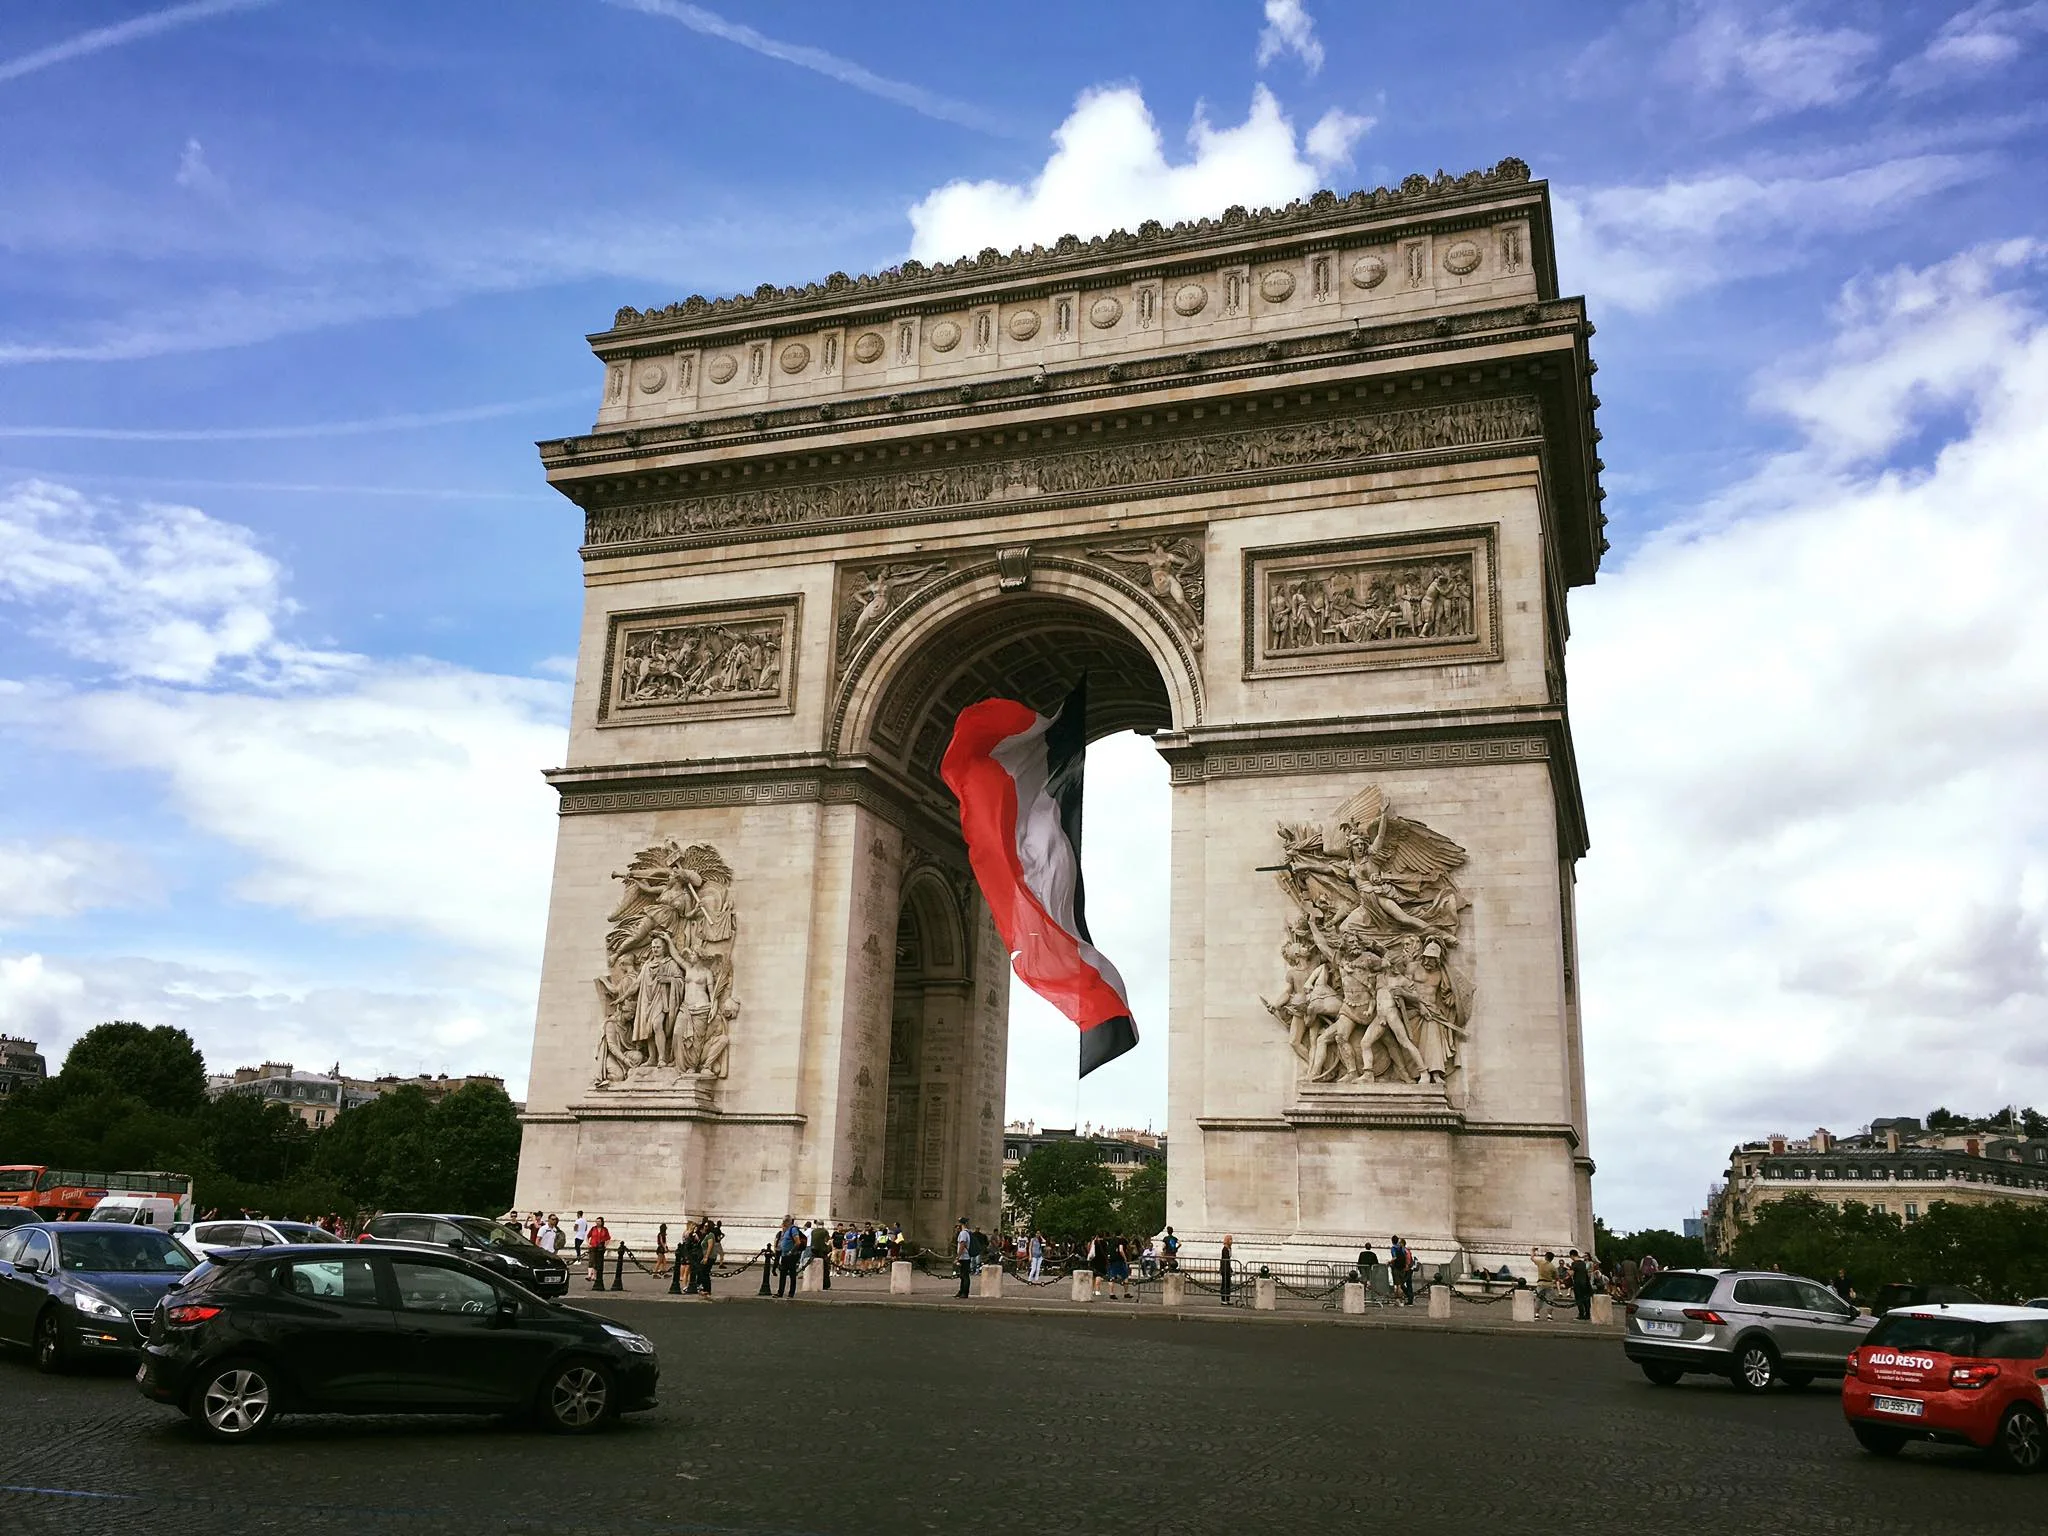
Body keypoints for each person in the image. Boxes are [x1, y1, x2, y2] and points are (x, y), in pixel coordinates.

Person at [1531, 1248, 1560, 1320]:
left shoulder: (1540, 1262)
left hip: (1540, 1283)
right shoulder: (1553, 1267)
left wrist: (1533, 1251)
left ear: (1546, 1257)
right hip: (1549, 1284)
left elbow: (1532, 1258)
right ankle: (1549, 1316)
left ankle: (1537, 1314)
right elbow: (1556, 1278)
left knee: (1538, 1299)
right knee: (1550, 1300)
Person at [1568, 1248, 1592, 1322]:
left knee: (1579, 1299)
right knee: (1586, 1299)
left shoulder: (1574, 1263)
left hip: (1578, 1283)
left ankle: (1581, 1314)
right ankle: (1587, 1314)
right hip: (1585, 1283)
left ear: (1572, 1255)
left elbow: (1571, 1273)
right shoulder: (1583, 1263)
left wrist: (1568, 1269)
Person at [587, 1217, 612, 1287]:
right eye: (596, 1221)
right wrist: (588, 1244)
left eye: (599, 1221)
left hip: (600, 1248)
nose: (597, 1222)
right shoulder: (593, 1228)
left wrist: (605, 1245)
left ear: (602, 1222)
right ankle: (589, 1275)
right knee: (591, 1260)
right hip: (593, 1246)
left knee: (597, 1261)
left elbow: (608, 1238)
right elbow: (588, 1236)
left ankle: (594, 1276)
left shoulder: (605, 1229)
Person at [809, 1218, 831, 1291]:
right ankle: (825, 1284)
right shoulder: (824, 1231)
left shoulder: (813, 1231)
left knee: (815, 1269)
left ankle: (814, 1283)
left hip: (814, 1252)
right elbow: (827, 1240)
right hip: (822, 1252)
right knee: (825, 1269)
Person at [954, 1218, 973, 1298]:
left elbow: (962, 1245)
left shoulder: (963, 1233)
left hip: (964, 1257)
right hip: (966, 1257)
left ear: (961, 1224)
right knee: (963, 1276)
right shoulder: (967, 1232)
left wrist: (958, 1257)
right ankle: (961, 1291)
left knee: (964, 1276)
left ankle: (964, 1292)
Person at [1219, 1235, 1235, 1305]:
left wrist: (1230, 1270)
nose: (1232, 1241)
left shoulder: (1229, 1248)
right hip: (1225, 1269)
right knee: (1225, 1284)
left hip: (1227, 1269)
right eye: (1230, 1239)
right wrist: (1230, 1270)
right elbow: (1226, 1260)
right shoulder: (1225, 1249)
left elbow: (1228, 1260)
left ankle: (1227, 1299)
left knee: (1228, 1284)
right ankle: (1223, 1299)